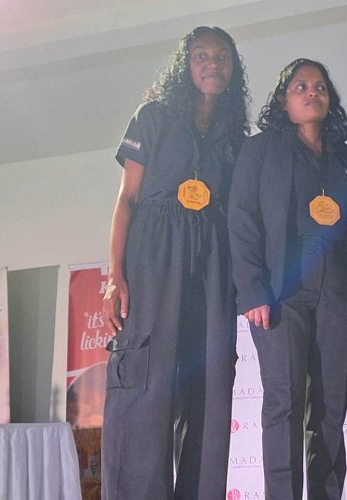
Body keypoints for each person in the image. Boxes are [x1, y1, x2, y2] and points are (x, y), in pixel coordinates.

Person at [101, 26, 249, 500]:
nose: (212, 64)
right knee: (148, 383)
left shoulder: (233, 136)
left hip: (212, 261)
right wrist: (114, 275)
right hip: (156, 251)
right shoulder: (154, 116)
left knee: (208, 383)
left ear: (233, 70)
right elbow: (127, 200)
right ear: (184, 67)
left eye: (222, 58)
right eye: (202, 56)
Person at [228, 58, 347, 500]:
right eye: (301, 86)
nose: (313, 93)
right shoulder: (260, 150)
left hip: (337, 293)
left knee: (330, 410)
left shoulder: (346, 158)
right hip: (279, 294)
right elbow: (242, 218)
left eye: (321, 87)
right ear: (284, 100)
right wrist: (252, 288)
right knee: (284, 404)